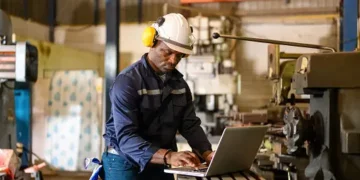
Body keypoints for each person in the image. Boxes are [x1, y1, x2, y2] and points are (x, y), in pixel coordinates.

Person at [101, 13, 214, 180]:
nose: (173, 60)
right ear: (151, 42)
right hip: (125, 160)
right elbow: (126, 138)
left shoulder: (180, 85)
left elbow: (189, 125)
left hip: (161, 158)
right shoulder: (128, 82)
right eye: (167, 52)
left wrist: (207, 153)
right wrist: (169, 156)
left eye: (180, 55)